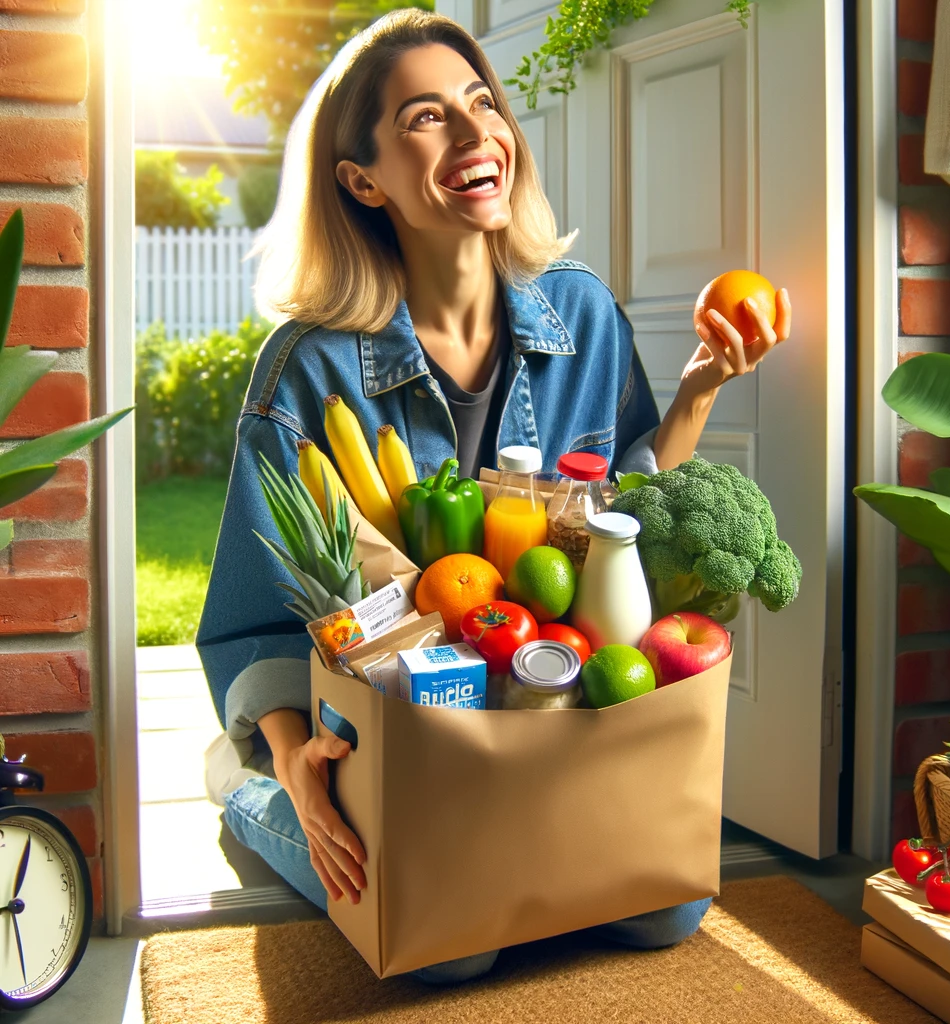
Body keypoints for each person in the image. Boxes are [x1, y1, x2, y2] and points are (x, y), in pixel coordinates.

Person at [197, 7, 791, 985]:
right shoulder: (307, 369)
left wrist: (699, 388)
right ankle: (245, 790)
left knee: (665, 908)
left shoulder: (583, 313)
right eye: (428, 118)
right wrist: (296, 761)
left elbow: (624, 503)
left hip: (535, 702)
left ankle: (512, 833)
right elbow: (256, 615)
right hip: (387, 723)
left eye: (482, 103)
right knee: (450, 951)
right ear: (362, 179)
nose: (478, 134)